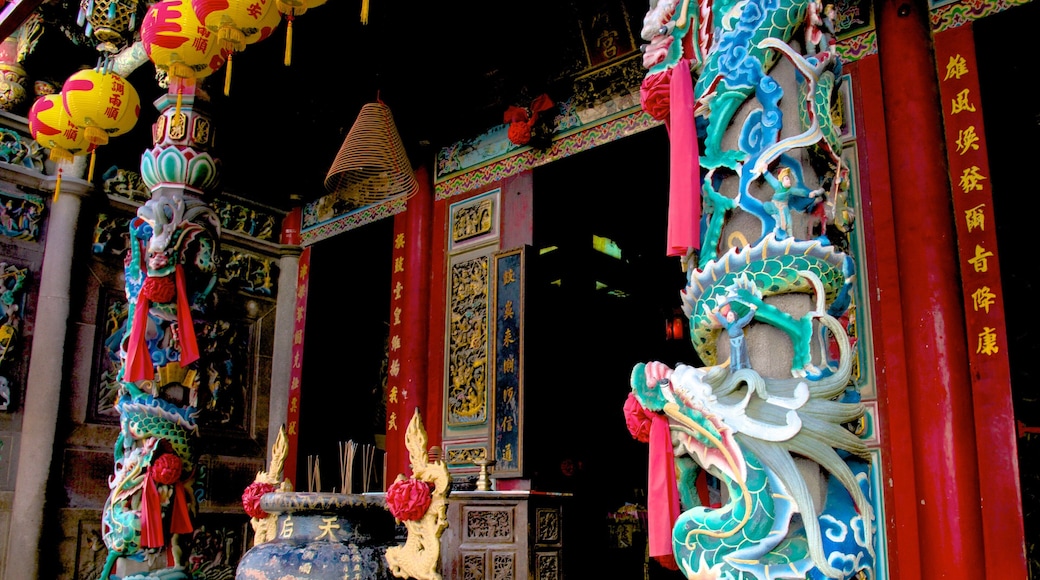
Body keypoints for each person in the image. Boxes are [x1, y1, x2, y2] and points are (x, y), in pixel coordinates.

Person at [761, 166, 823, 239]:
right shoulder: (777, 185)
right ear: (782, 180)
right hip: (776, 206)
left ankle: (790, 236)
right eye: (787, 179)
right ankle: (780, 233)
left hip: (784, 206)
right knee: (779, 219)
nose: (789, 180)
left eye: (789, 179)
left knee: (789, 221)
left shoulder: (790, 190)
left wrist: (808, 194)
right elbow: (770, 179)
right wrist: (765, 171)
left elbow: (799, 192)